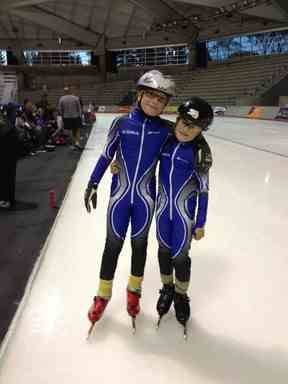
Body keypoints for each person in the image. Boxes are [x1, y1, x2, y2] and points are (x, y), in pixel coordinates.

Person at [84, 70, 176, 330]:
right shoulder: (121, 123)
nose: (155, 102)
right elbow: (105, 156)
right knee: (112, 246)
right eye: (150, 96)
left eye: (161, 99)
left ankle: (133, 292)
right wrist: (92, 183)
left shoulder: (167, 130)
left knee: (139, 247)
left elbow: (189, 141)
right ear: (140, 95)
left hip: (146, 200)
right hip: (120, 198)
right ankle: (102, 295)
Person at [155, 97, 213, 336]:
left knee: (180, 257)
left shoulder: (199, 153)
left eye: (193, 126)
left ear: (201, 130)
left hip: (183, 216)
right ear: (176, 119)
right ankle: (167, 288)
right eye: (183, 121)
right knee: (163, 252)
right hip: (162, 212)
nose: (185, 129)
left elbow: (204, 191)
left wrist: (200, 222)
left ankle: (180, 294)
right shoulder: (166, 141)